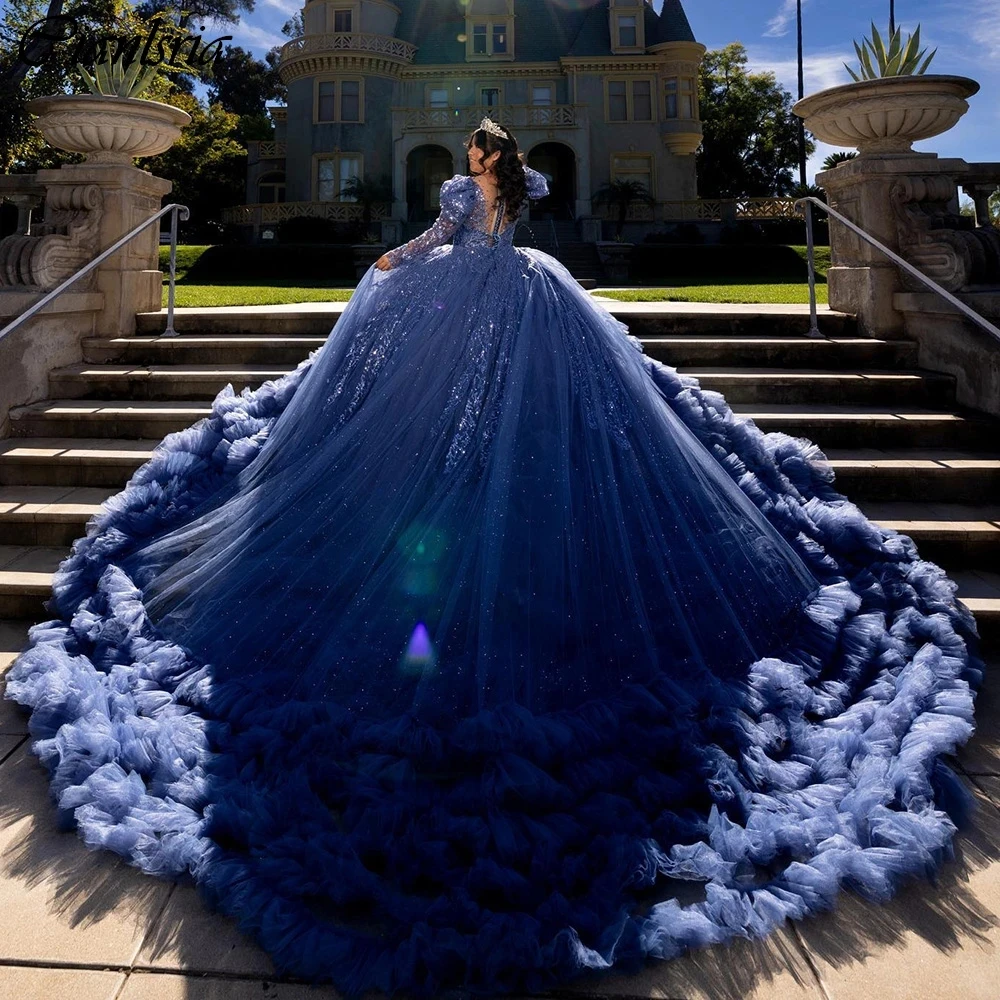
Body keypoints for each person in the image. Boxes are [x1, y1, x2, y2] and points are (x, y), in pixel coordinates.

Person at [6, 119, 981, 996]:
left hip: (479, 298)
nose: (472, 164)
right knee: (480, 430)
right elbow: (489, 242)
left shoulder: (467, 198)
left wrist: (397, 257)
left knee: (472, 429)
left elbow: (444, 244)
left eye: (475, 154)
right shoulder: (512, 196)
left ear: (481, 157)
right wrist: (418, 254)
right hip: (516, 296)